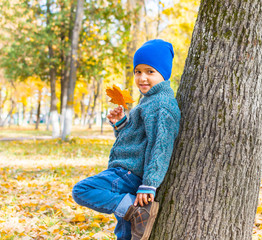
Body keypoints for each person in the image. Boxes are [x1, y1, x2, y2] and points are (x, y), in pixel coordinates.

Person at [72, 39, 181, 240]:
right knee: (126, 234)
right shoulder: (148, 101)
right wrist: (121, 124)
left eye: (150, 71)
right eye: (138, 72)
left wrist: (150, 183)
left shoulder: (161, 105)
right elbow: (137, 140)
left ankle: (134, 209)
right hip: (127, 173)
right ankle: (132, 211)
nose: (142, 78)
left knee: (82, 190)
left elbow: (161, 145)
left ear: (164, 74)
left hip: (128, 174)